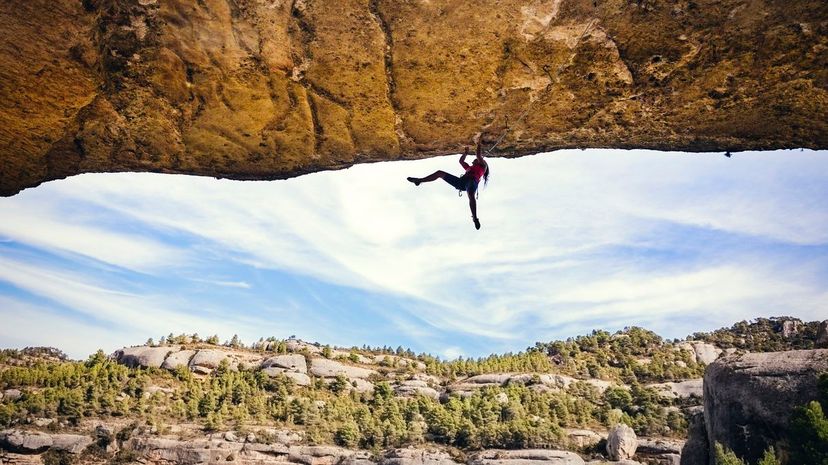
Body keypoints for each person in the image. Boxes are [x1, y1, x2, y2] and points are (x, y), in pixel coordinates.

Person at [407, 140, 490, 230]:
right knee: (439, 173)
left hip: (472, 182)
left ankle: (474, 218)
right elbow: (461, 161)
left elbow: (478, 155)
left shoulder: (483, 166)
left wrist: (479, 144)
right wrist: (465, 153)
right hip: (461, 183)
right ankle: (419, 180)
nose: (473, 161)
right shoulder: (469, 168)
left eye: (476, 160)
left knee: (471, 195)